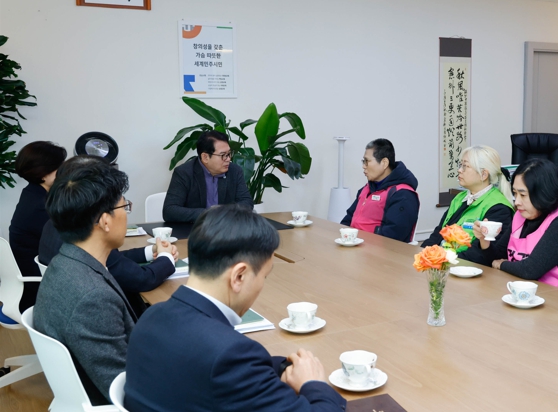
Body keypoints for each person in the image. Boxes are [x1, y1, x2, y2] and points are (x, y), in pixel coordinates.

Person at [124, 205, 347, 411]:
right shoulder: (230, 355)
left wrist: (283, 366)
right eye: (264, 276)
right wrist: (313, 383)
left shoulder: (150, 317)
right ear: (239, 276)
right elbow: (230, 362)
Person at [33, 160, 141, 405]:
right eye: (124, 206)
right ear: (105, 221)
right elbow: (125, 391)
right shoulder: (93, 297)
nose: (126, 214)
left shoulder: (64, 262)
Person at [37, 155, 177, 317]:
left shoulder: (62, 230)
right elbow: (142, 279)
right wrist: (166, 257)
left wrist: (149, 251)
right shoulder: (97, 297)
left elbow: (113, 260)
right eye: (124, 207)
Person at [489, 158, 558, 289]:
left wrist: (501, 265)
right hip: (528, 291)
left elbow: (530, 269)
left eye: (523, 195)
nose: (517, 202)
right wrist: (485, 241)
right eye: (515, 193)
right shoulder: (522, 214)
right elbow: (498, 255)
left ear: (544, 193)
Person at [422, 145, 514, 263]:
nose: (459, 170)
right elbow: (439, 233)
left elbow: (480, 254)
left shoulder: (499, 208)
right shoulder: (460, 198)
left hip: (464, 266)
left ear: (483, 174)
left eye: (465, 166)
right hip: (444, 262)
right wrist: (423, 252)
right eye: (460, 165)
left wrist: (443, 261)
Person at [8, 141, 66, 312]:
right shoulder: (40, 206)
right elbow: (70, 243)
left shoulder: (33, 193)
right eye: (60, 167)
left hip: (39, 275)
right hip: (39, 288)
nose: (65, 171)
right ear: (43, 174)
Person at [163, 130, 253, 222]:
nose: (228, 159)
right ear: (205, 157)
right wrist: (209, 214)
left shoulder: (234, 171)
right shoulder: (184, 173)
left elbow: (247, 203)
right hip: (194, 227)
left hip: (226, 227)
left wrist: (223, 213)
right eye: (223, 155)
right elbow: (170, 211)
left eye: (229, 154)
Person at [341, 138, 419, 242]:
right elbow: (348, 219)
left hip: (378, 249)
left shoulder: (403, 194)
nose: (363, 166)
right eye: (363, 161)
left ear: (384, 163)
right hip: (355, 244)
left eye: (367, 161)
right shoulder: (366, 189)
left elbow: (394, 236)